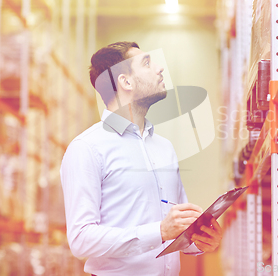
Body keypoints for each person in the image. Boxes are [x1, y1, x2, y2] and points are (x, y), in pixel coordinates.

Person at [60, 42, 223, 276]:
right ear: (125, 82)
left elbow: (177, 231)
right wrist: (159, 231)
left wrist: (200, 241)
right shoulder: (87, 148)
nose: (159, 69)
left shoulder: (164, 148)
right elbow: (81, 239)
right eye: (147, 63)